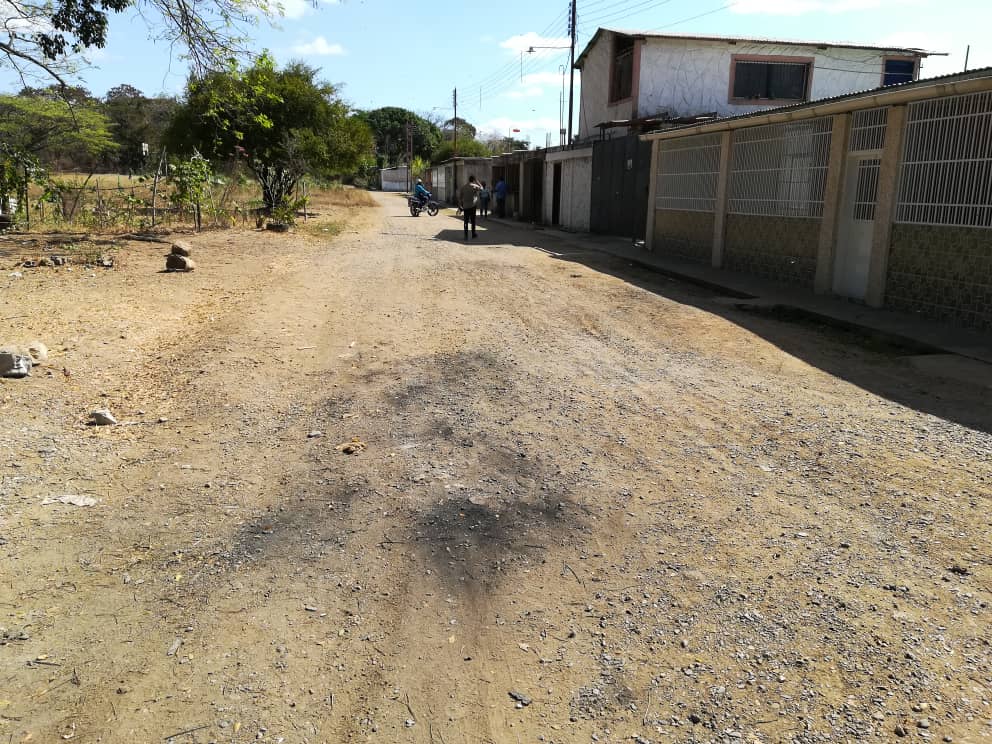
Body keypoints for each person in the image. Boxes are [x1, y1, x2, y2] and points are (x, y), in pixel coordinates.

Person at [458, 174, 482, 240]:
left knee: (466, 221)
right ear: (473, 180)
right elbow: (482, 188)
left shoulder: (463, 187)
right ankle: (473, 234)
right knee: (473, 221)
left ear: (468, 180)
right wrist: (477, 181)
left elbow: (460, 198)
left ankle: (466, 235)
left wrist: (460, 206)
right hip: (473, 206)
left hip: (465, 206)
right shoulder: (475, 186)